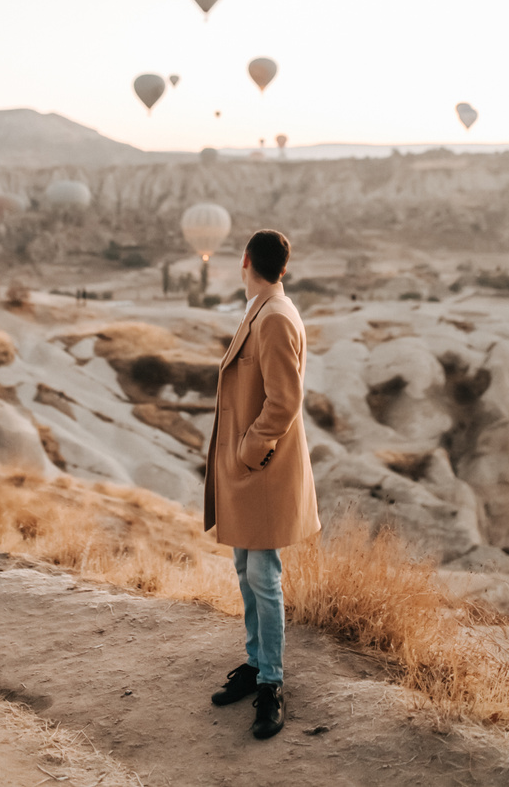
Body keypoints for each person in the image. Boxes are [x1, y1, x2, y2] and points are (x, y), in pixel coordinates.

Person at [204, 229, 320, 740]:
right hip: (248, 472)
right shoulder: (263, 307)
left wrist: (248, 451)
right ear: (282, 267)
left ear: (246, 260)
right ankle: (255, 664)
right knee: (246, 568)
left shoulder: (273, 317)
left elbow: (284, 401)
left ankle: (271, 682)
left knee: (263, 576)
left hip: (262, 469)